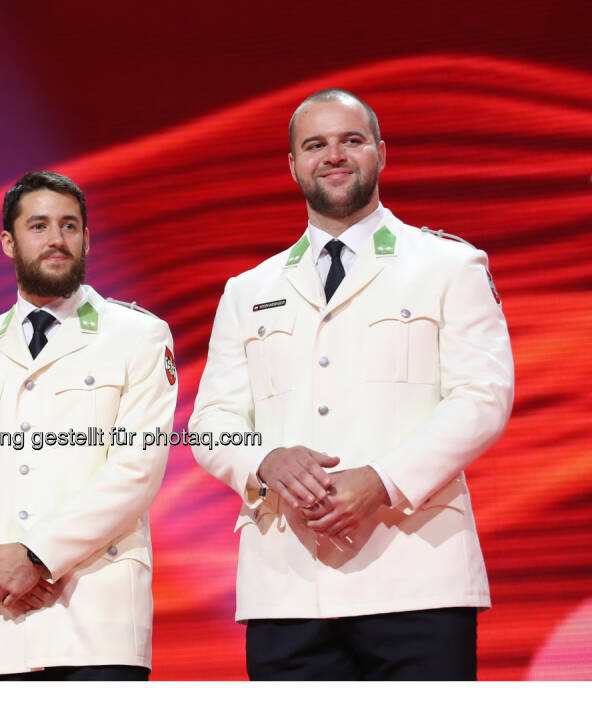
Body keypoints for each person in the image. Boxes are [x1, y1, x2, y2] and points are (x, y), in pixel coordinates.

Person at [189, 89, 514, 680]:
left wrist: (382, 480)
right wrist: (265, 460)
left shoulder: (448, 265)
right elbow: (209, 423)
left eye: (352, 140)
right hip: (285, 586)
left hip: (417, 577)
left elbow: (483, 398)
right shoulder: (246, 288)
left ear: (381, 154)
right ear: (293, 165)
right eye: (315, 144)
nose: (333, 155)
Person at [0, 170, 178, 680]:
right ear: (8, 243)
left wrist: (38, 556)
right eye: (39, 226)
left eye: (70, 226)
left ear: (87, 238)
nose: (56, 239)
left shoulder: (139, 335)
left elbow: (137, 467)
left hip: (97, 616)